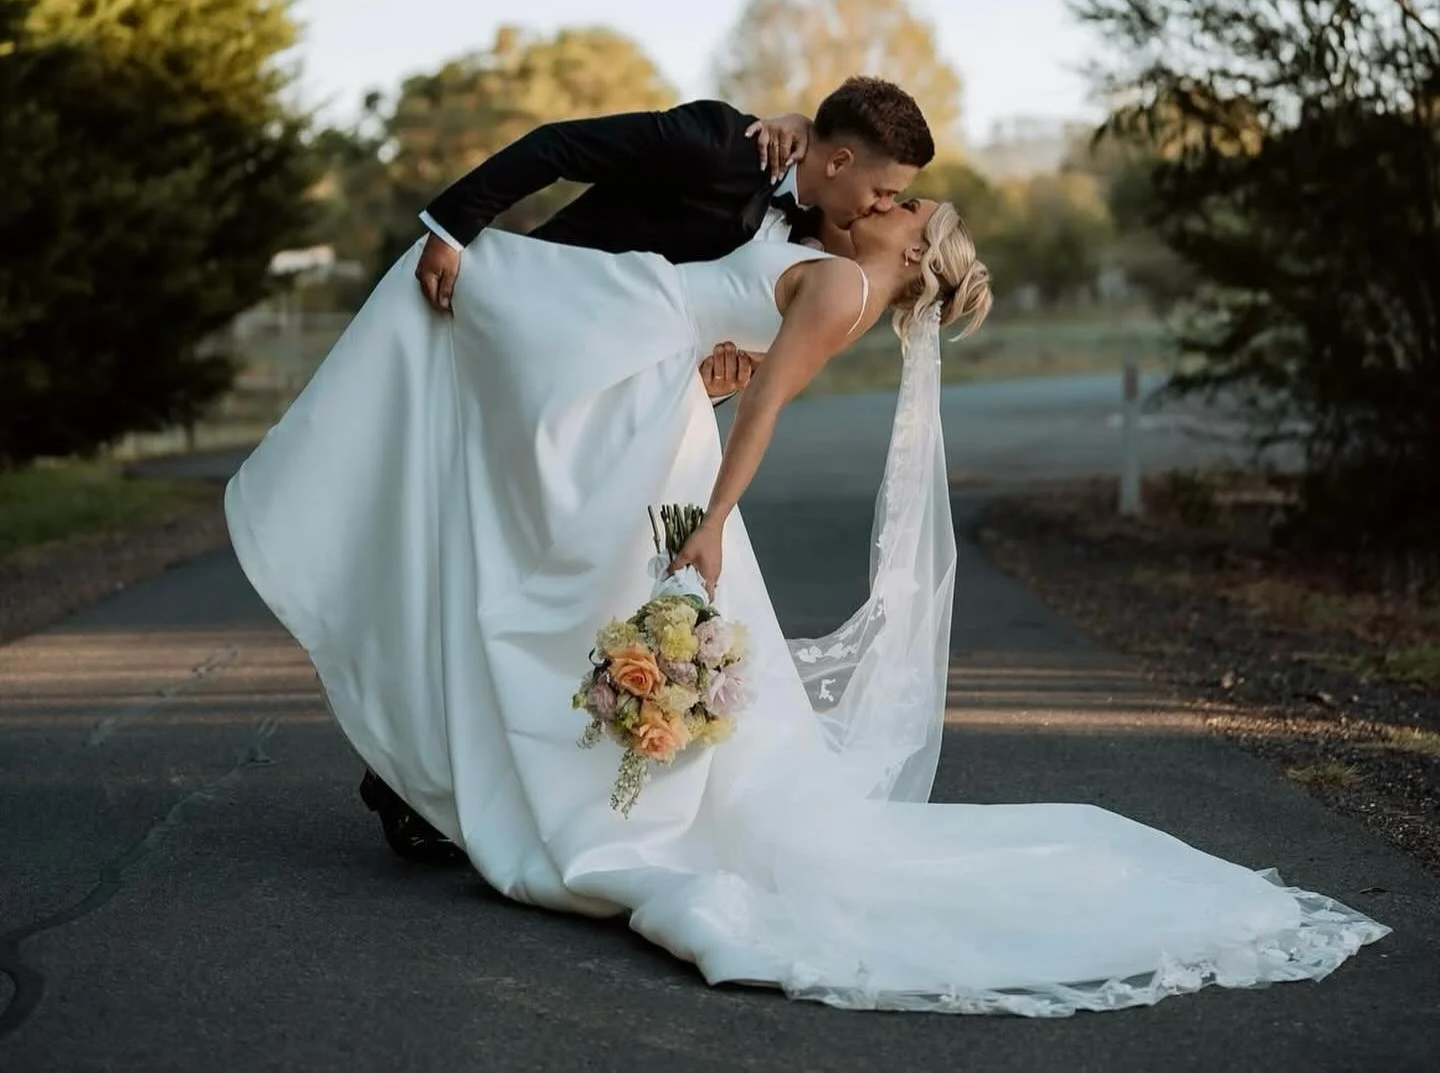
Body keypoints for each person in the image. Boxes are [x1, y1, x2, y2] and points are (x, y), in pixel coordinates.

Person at [224, 144, 1386, 1013]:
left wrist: (713, 519)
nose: (884, 202)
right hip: (654, 413)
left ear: (910, 246)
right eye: (885, 188)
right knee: (591, 612)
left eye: (902, 205)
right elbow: (748, 336)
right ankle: (492, 775)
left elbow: (766, 406)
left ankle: (527, 786)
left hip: (676, 460)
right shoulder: (825, 258)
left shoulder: (840, 287)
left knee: (598, 613)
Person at [357, 75, 933, 858]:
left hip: (625, 410)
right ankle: (422, 770)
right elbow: (557, 146)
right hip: (542, 341)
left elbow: (732, 331)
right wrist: (452, 226)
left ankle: (446, 778)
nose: (881, 205)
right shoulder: (717, 142)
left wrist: (712, 380)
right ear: (835, 158)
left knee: (557, 586)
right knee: (510, 569)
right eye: (883, 188)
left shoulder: (813, 237)